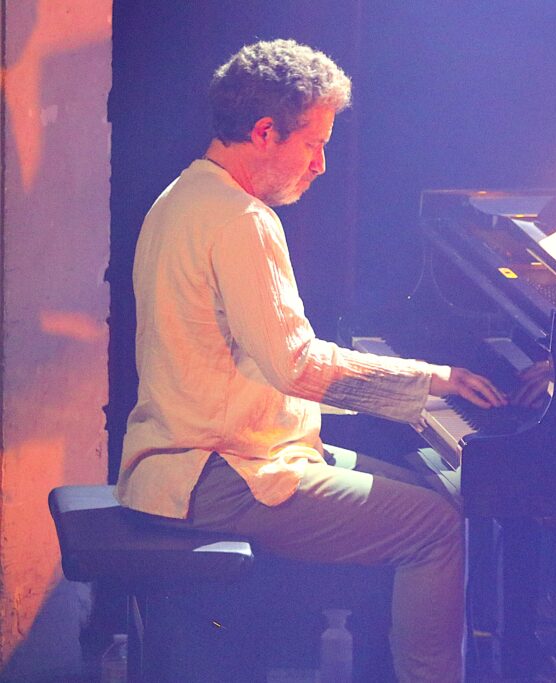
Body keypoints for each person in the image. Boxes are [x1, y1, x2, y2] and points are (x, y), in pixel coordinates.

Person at [115, 38, 505, 682]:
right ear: (265, 132)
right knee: (438, 527)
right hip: (220, 472)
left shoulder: (183, 195)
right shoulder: (241, 219)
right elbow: (294, 365)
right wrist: (432, 380)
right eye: (313, 144)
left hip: (200, 454)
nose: (321, 165)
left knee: (432, 492)